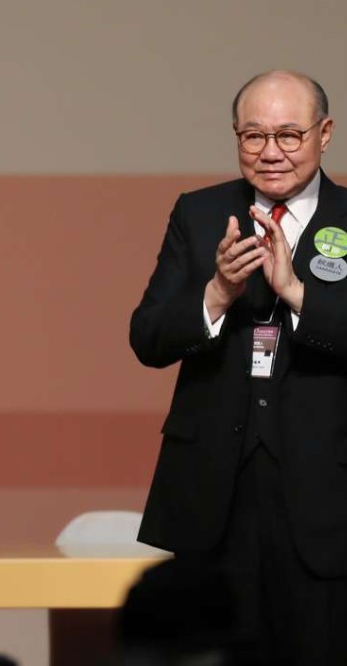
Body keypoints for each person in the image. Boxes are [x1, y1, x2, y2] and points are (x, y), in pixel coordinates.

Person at [130, 70, 347, 663]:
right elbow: (147, 338)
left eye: (288, 135)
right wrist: (218, 293)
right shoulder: (199, 214)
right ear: (235, 136)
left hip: (325, 496)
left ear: (324, 133)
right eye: (253, 136)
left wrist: (301, 295)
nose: (270, 152)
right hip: (212, 495)